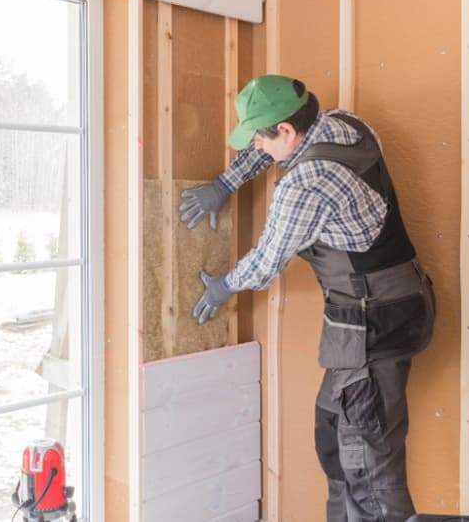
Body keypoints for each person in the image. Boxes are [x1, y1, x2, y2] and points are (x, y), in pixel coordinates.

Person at [179, 75, 435, 522]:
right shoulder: (342, 124)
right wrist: (225, 184)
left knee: (368, 468)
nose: (255, 147)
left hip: (375, 318)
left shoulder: (304, 185)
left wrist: (222, 286)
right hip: (394, 302)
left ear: (287, 131)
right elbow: (273, 154)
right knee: (333, 437)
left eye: (259, 136)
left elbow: (265, 262)